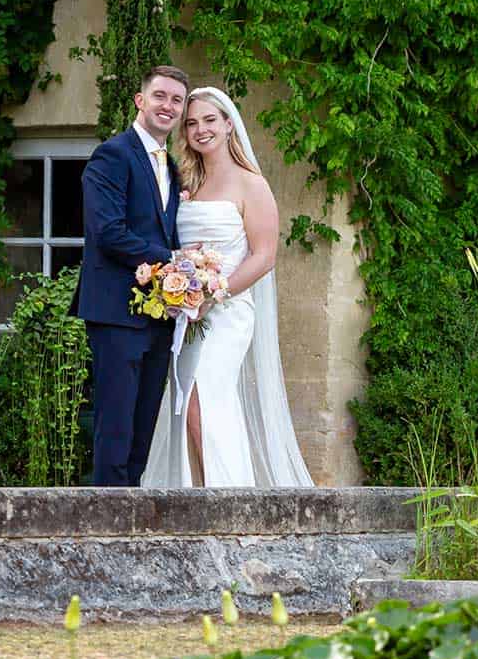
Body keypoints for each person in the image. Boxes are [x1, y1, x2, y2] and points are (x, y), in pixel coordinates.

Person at [139, 86, 315, 488]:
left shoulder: (252, 184)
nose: (201, 129)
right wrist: (178, 284)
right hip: (188, 314)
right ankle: (197, 496)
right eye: (193, 122)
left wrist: (213, 293)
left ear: (228, 124)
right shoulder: (186, 184)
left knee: (205, 399)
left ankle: (228, 499)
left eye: (210, 120)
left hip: (228, 312)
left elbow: (263, 255)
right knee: (185, 406)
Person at [73, 64, 186, 486]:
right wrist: (173, 258)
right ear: (140, 100)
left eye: (177, 100)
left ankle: (131, 524)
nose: (168, 106)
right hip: (116, 311)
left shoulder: (170, 165)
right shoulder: (113, 154)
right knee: (115, 427)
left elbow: (163, 224)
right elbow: (108, 231)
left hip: (158, 313)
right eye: (160, 96)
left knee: (142, 433)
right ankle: (105, 527)